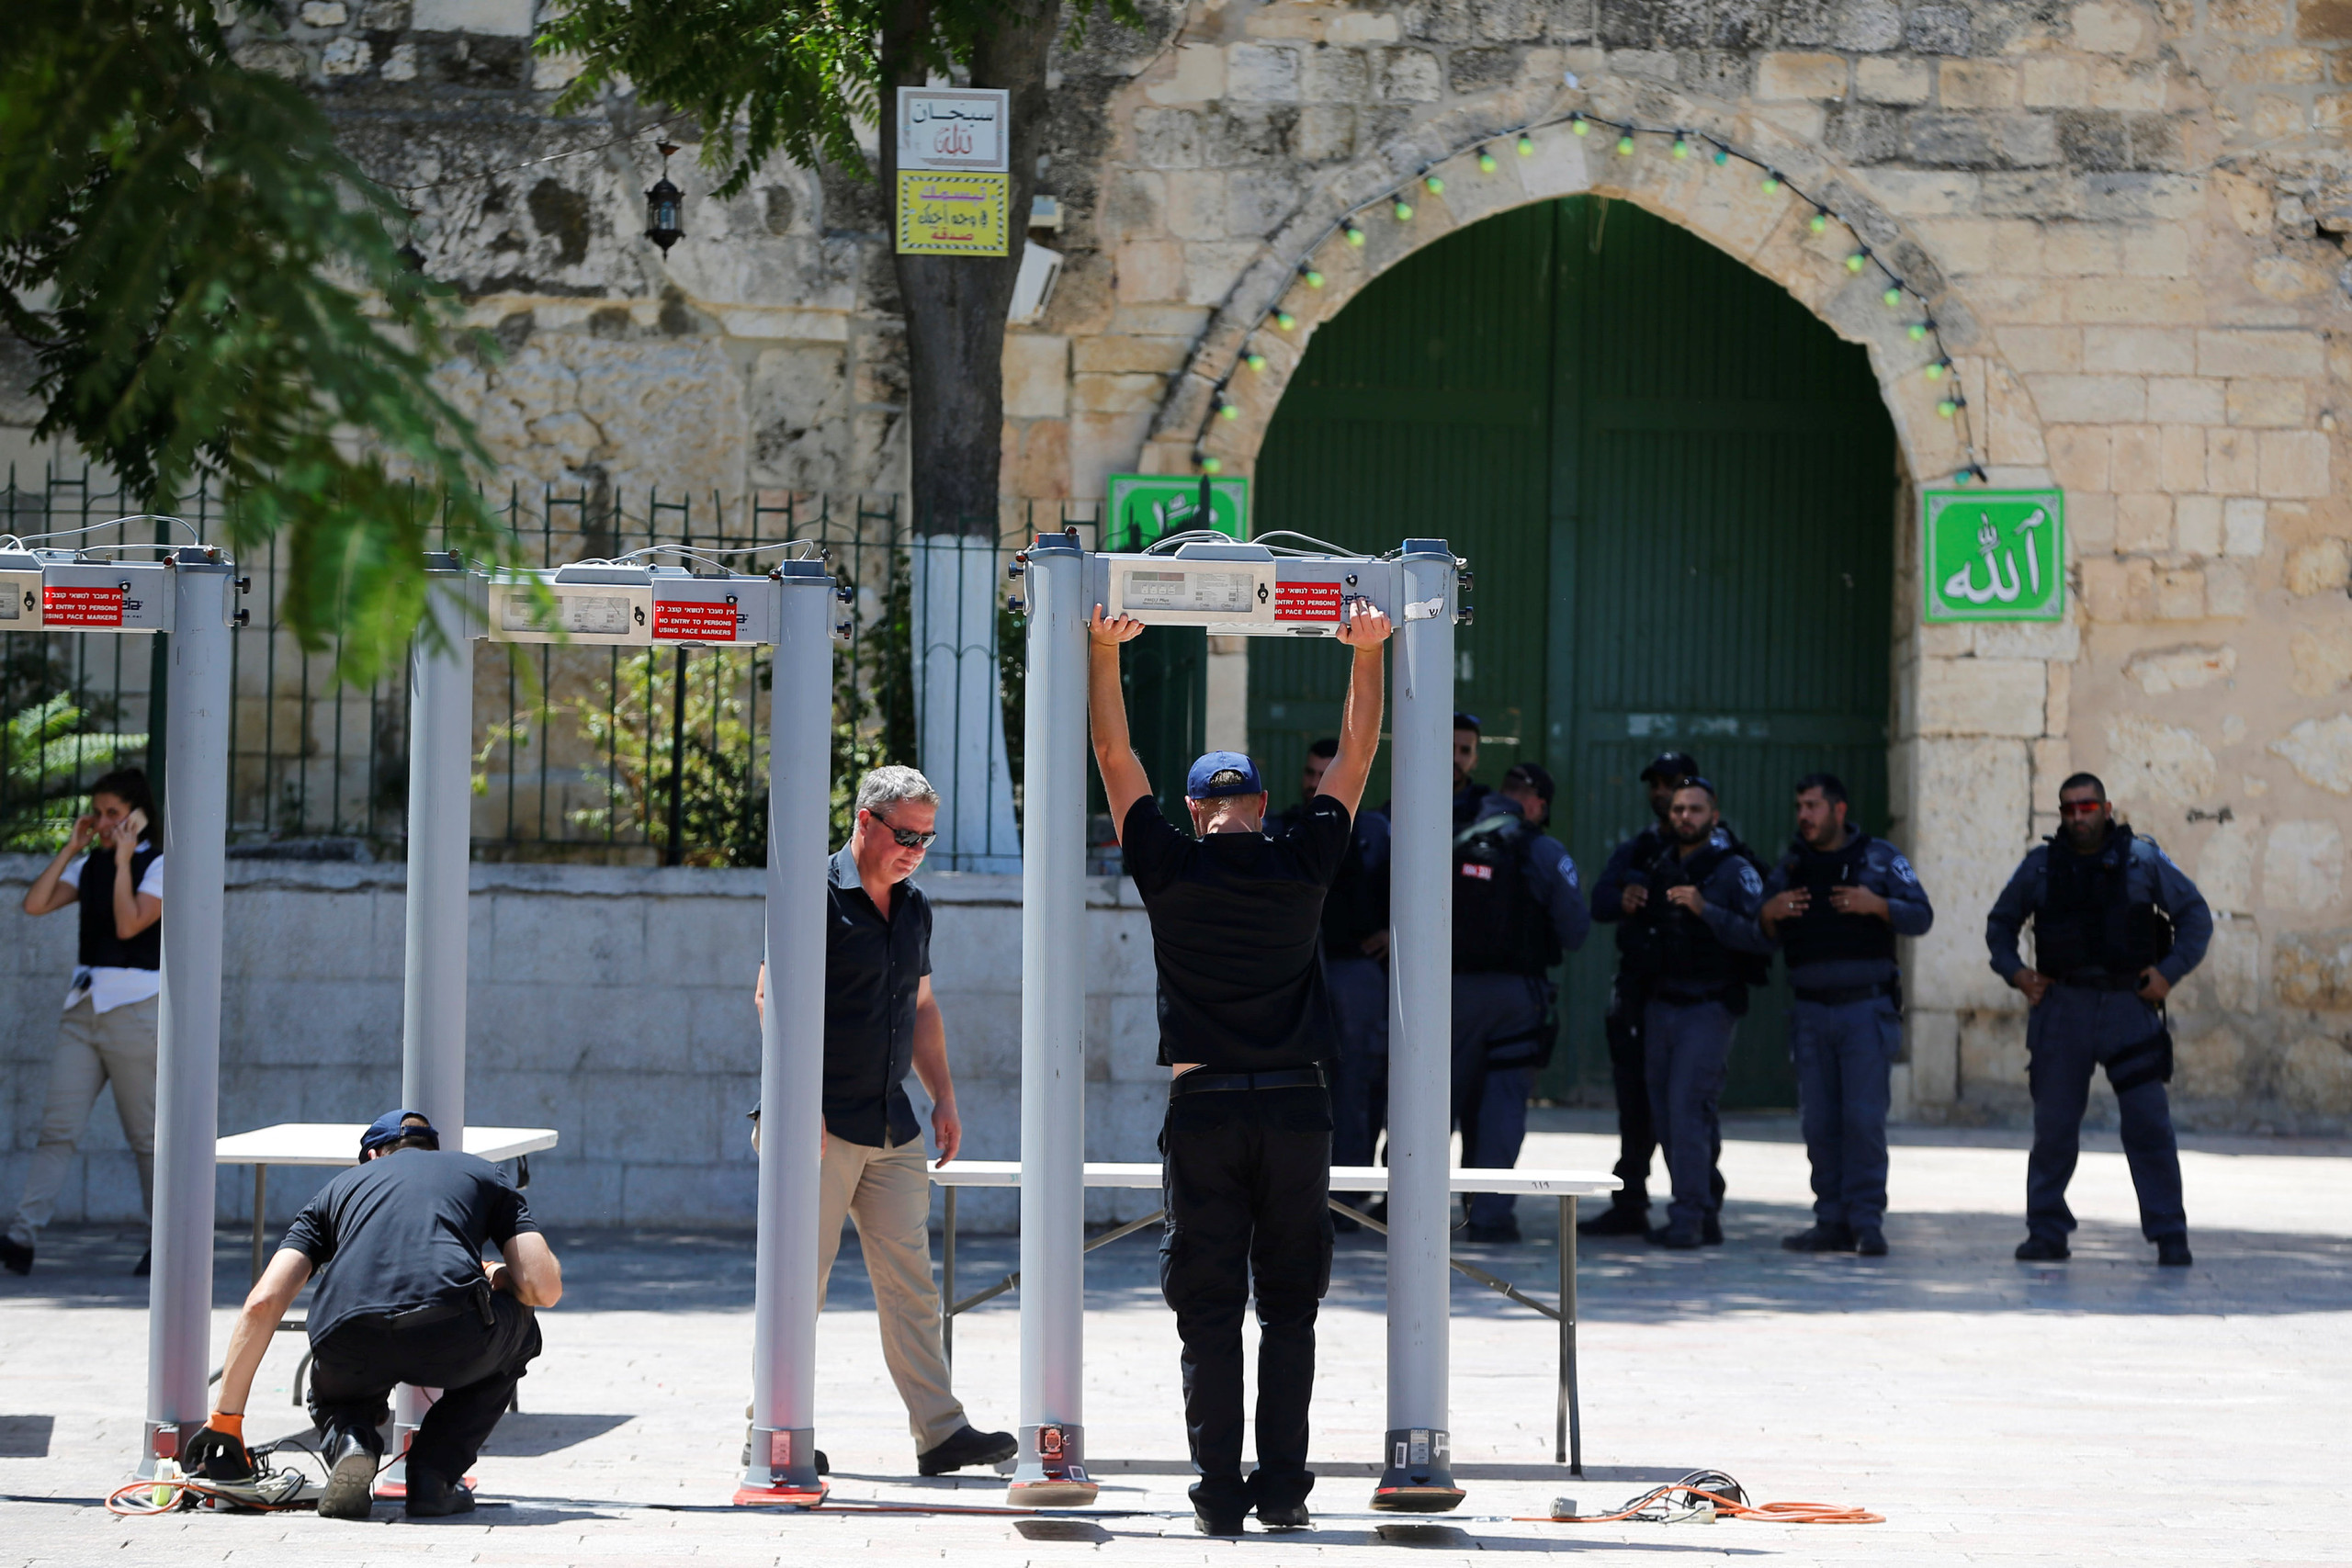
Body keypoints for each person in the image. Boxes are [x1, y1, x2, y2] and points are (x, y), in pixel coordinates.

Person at [1090, 597, 1392, 1536]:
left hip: (1205, 1108)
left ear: (1192, 809)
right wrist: (1367, 655)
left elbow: (1113, 758)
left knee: (1208, 1310)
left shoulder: (1168, 868)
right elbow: (1354, 756)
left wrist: (1104, 655)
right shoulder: (1302, 859)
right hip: (1299, 1109)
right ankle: (1285, 1493)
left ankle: (1219, 1497)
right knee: (1290, 1310)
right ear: (1261, 807)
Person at [749, 764, 1013, 1477]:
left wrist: (946, 1096)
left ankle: (940, 1432)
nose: (915, 851)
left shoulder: (915, 906)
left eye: (926, 840)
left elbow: (922, 1005)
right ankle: (770, 1427)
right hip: (819, 1122)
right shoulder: (810, 894)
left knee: (912, 1285)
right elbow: (770, 997)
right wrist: (800, 1103)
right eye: (905, 835)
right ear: (864, 822)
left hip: (892, 1124)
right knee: (797, 1281)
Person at [181, 1111, 561, 1519]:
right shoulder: (480, 1174)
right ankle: (434, 1476)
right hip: (450, 1329)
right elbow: (544, 1288)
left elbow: (263, 1302)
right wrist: (497, 1273)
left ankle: (352, 1439)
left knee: (340, 1387)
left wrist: (226, 1419)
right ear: (432, 1149)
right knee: (521, 1327)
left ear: (373, 1156)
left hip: (347, 1335)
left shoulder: (334, 1191)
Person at [1985, 773, 2211, 1267]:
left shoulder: (2143, 860)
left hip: (2127, 1008)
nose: (2077, 817)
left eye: (2087, 808)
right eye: (2068, 809)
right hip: (2062, 1009)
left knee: (2149, 1124)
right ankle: (2046, 1231)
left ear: (2107, 808)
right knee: (2054, 1128)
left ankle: (2169, 1233)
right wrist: (2019, 974)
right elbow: (1999, 925)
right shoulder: (2041, 866)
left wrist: (2167, 974)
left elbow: (2195, 916)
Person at [1742, 774, 1934, 1258]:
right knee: (1819, 1123)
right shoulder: (1791, 865)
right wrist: (1770, 913)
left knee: (1864, 1121)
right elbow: (1753, 932)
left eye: (1812, 806)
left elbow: (1922, 915)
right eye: (1799, 806)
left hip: (1864, 1011)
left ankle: (1867, 1223)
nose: (1803, 815)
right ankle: (1830, 1220)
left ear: (1839, 810)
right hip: (1811, 1013)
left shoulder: (1880, 858)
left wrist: (1880, 906)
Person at [4, 769, 164, 1278]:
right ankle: (21, 1238)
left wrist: (123, 861)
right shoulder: (90, 862)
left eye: (113, 813)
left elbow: (129, 923)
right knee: (57, 1128)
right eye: (97, 813)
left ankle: (163, 1239)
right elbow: (34, 904)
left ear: (137, 817)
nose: (101, 822)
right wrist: (73, 848)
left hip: (135, 1009)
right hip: (84, 1009)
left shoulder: (160, 865)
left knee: (146, 1136)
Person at [1451, 761, 1589, 1242]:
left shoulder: (1452, 835)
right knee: (1504, 1105)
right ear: (1538, 804)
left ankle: (1405, 1208)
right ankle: (1489, 1218)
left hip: (1449, 997)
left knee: (1431, 1105)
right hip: (1515, 998)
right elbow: (1576, 932)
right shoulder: (1545, 850)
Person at [1626, 778, 1765, 1249]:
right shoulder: (1661, 864)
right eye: (1679, 809)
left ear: (1714, 815)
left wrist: (1708, 910)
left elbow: (1760, 937)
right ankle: (1699, 1210)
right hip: (1661, 1005)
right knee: (1666, 1115)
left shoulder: (1733, 871)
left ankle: (1689, 1216)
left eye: (1695, 809)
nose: (1685, 816)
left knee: (1688, 1110)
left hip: (1707, 1008)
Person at [1269, 739, 1391, 1228]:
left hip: (1353, 971)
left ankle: (1353, 1191)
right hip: (1298, 972)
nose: (1317, 782)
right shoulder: (1285, 829)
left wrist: (1390, 931)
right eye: (1311, 772)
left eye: (1327, 773)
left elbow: (1409, 888)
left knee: (1358, 1081)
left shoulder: (1372, 832)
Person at [1581, 751, 1701, 1238]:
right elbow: (1600, 900)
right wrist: (1622, 899)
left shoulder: (1716, 850)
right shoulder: (1639, 849)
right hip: (1639, 994)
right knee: (1635, 1104)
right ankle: (1630, 1201)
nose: (1660, 792)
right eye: (1654, 784)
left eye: (1669, 783)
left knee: (1688, 1106)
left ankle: (1699, 1206)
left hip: (1693, 997)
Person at [1452, 713, 1494, 826]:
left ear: (1475, 760)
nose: (1456, 758)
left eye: (1465, 751)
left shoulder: (1487, 808)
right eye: (1450, 747)